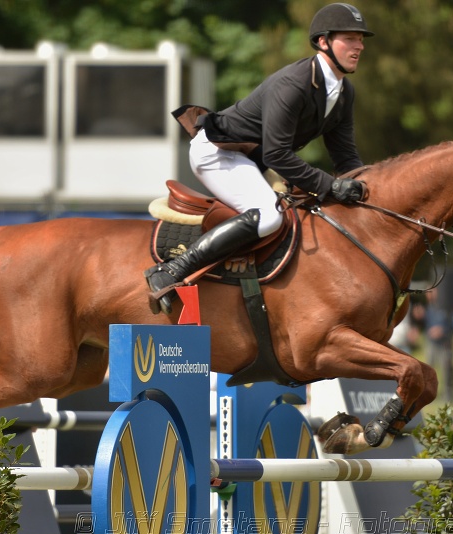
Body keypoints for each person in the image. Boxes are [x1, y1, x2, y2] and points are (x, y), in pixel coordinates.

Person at [146, 3, 373, 313]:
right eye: (350, 38)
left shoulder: (344, 92)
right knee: (268, 215)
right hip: (218, 152)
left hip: (251, 159)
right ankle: (172, 270)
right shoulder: (293, 84)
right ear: (323, 41)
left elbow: (345, 157)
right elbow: (277, 153)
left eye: (360, 39)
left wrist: (367, 189)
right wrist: (329, 186)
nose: (359, 46)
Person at [423, 288, 453, 401]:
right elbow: (425, 326)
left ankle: (448, 395)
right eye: (427, 293)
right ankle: (427, 393)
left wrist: (442, 330)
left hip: (444, 343)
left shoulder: (445, 307)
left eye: (431, 292)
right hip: (431, 343)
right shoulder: (428, 308)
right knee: (428, 367)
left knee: (446, 369)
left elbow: (452, 325)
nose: (429, 295)